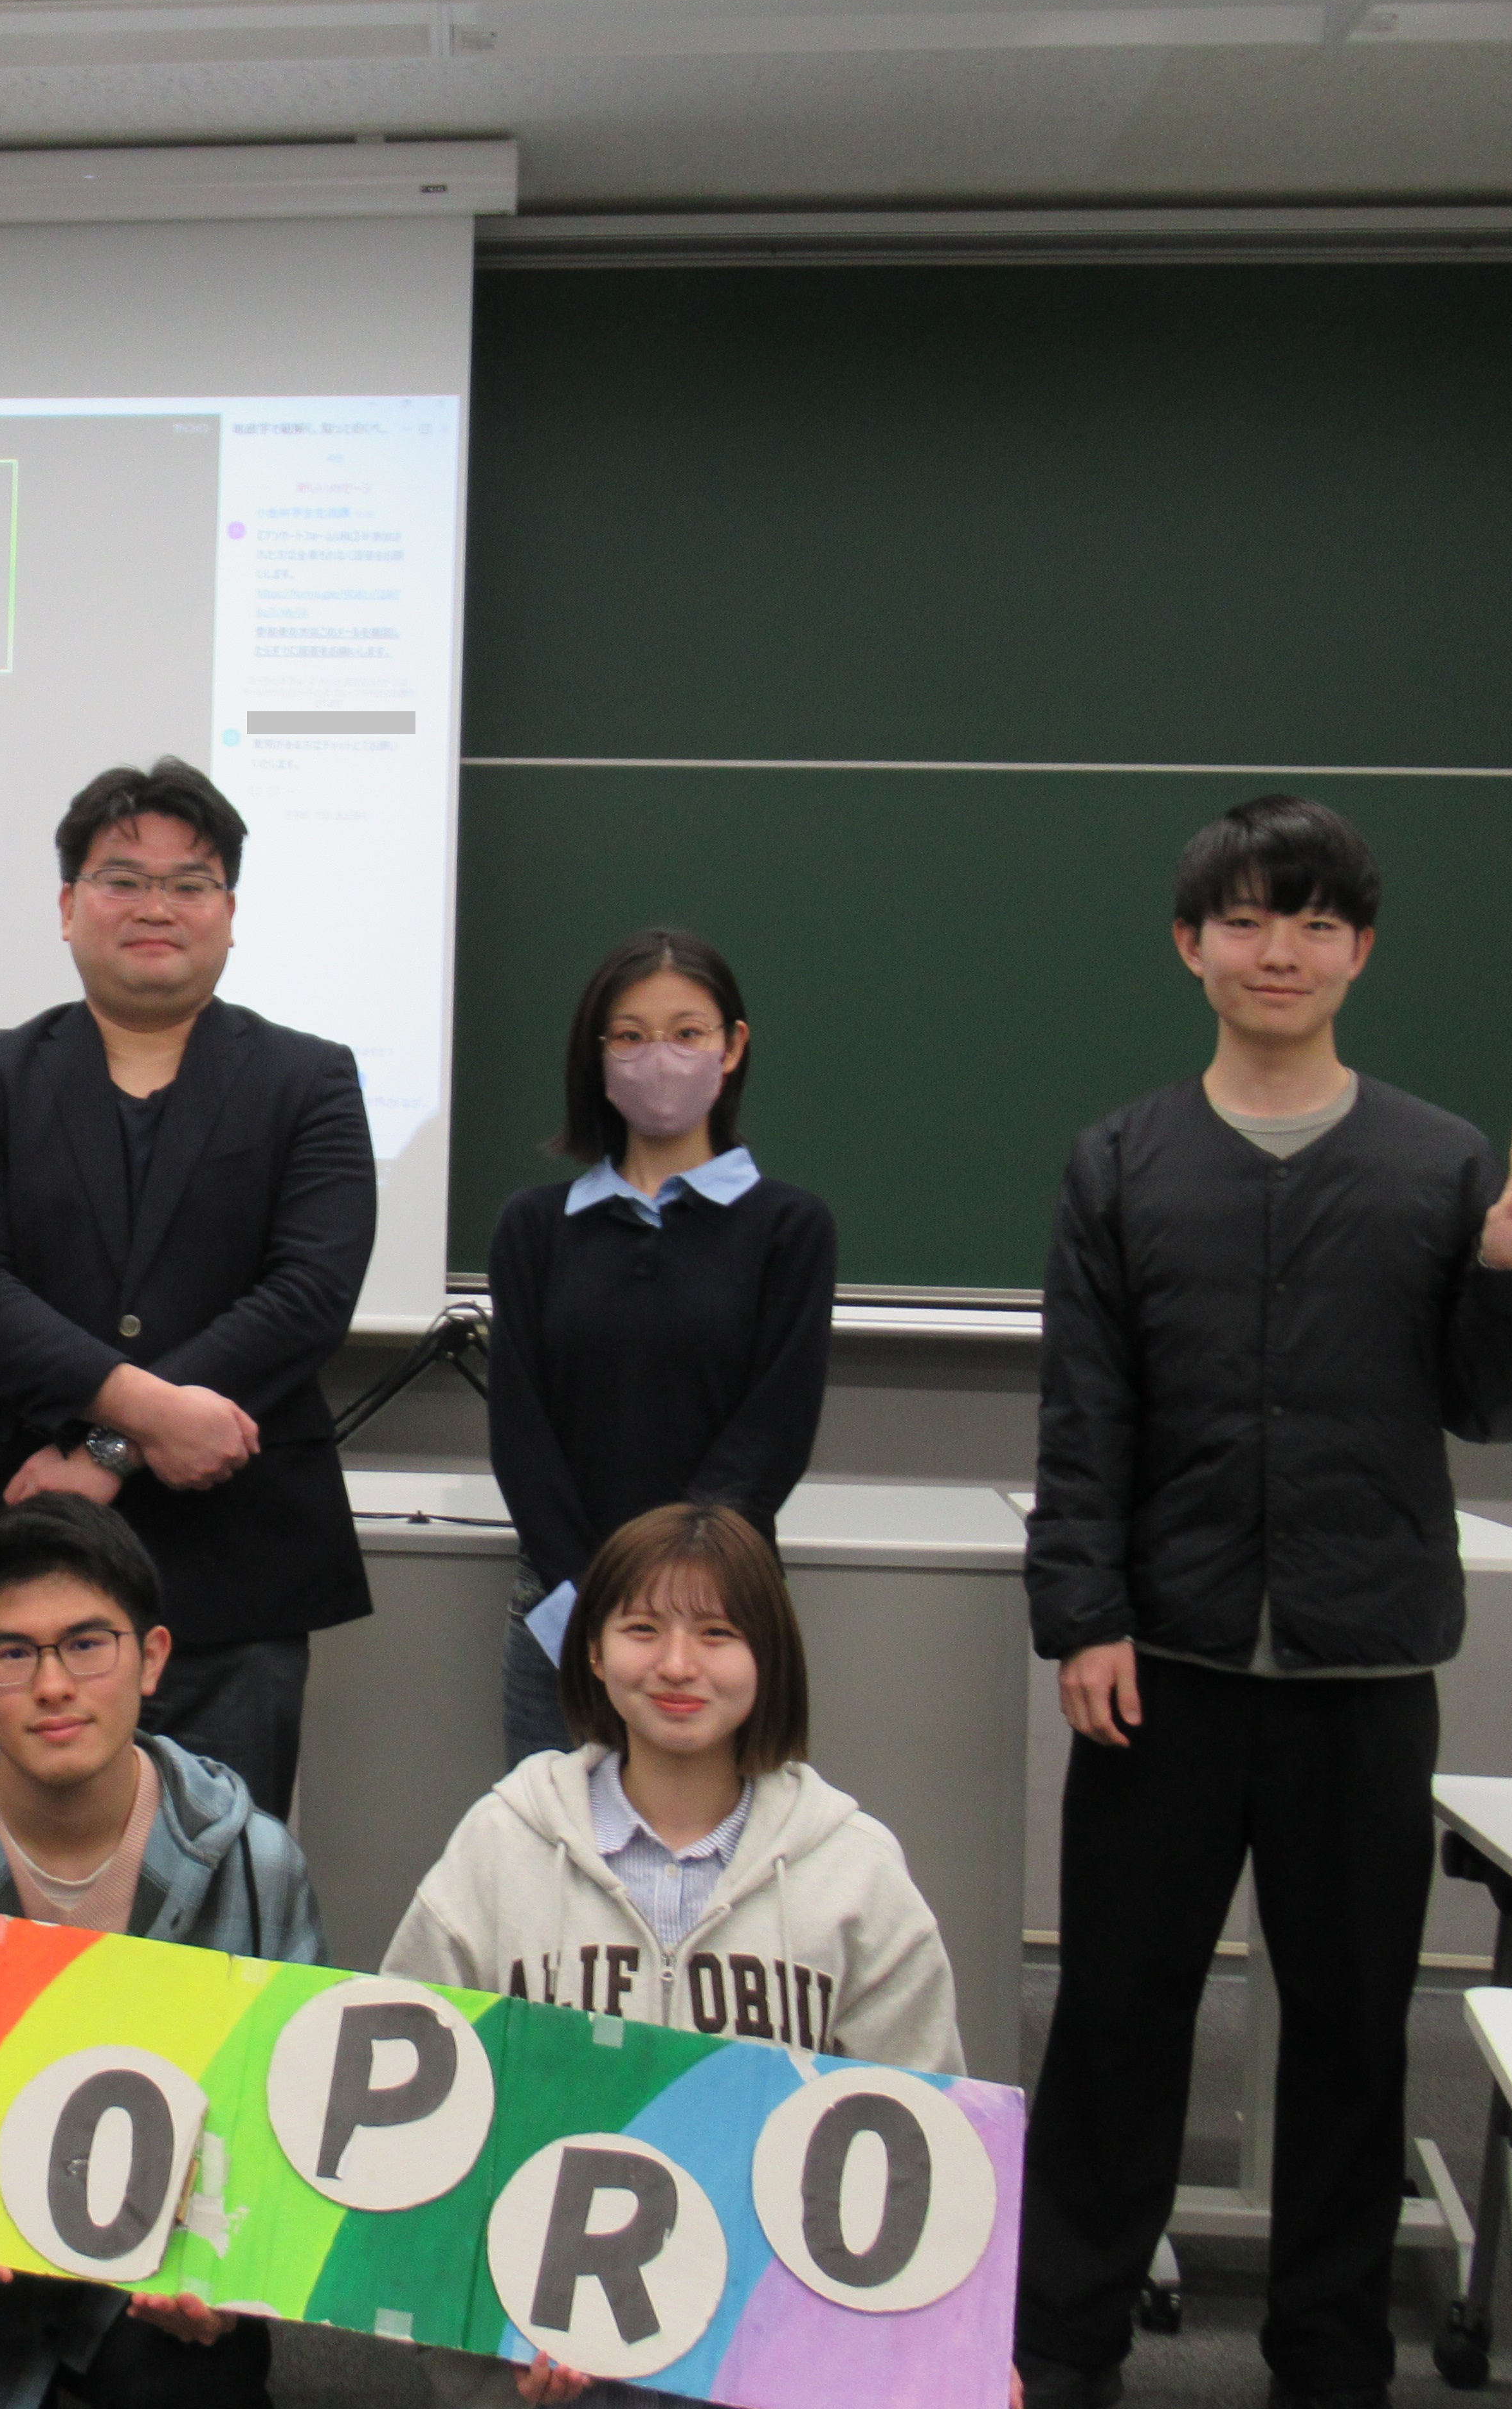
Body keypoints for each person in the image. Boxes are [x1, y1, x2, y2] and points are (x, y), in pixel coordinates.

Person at [1015, 796, 1512, 2409]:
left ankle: (1329, 2360)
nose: (1282, 950)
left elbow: (1492, 1408)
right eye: (1249, 919)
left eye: (1317, 922)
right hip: (1163, 1663)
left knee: (1351, 2030)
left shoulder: (1440, 1162)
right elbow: (1084, 1414)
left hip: (1363, 1669)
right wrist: (1082, 1614)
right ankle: (1062, 2343)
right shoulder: (1120, 1160)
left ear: (1360, 951)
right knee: (1117, 2015)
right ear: (1189, 944)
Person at [388, 1498, 961, 2409]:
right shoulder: (499, 1846)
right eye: (643, 1629)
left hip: (777, 2364)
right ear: (592, 1651)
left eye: (718, 1633)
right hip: (541, 2350)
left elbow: (922, 2144)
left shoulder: (855, 1871)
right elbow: (413, 2127)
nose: (679, 1665)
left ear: (769, 1657)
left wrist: (944, 2344)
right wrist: (492, 2354)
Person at [0, 758, 378, 1815]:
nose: (155, 906)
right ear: (67, 906)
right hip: (21, 1553)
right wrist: (145, 1413)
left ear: (229, 912)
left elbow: (309, 1291)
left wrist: (104, 1451)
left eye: (189, 883)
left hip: (235, 1558)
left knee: (221, 1875)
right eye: (122, 879)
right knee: (18, 1877)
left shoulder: (307, 1079)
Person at [0, 1495, 325, 2409]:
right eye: (13, 1654)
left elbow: (288, 2126)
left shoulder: (257, 1864)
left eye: (87, 1644)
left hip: (166, 2295)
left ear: (153, 1659)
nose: (54, 1685)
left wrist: (229, 2281)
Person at [484, 927, 837, 1767]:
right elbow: (522, 1436)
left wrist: (672, 1607)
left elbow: (772, 1433)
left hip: (723, 1615)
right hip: (562, 1609)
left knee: (723, 1846)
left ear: (733, 1046)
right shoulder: (535, 1228)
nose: (660, 1057)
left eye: (687, 1033)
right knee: (552, 1840)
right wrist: (594, 1607)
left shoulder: (789, 1228)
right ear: (599, 1055)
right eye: (631, 1036)